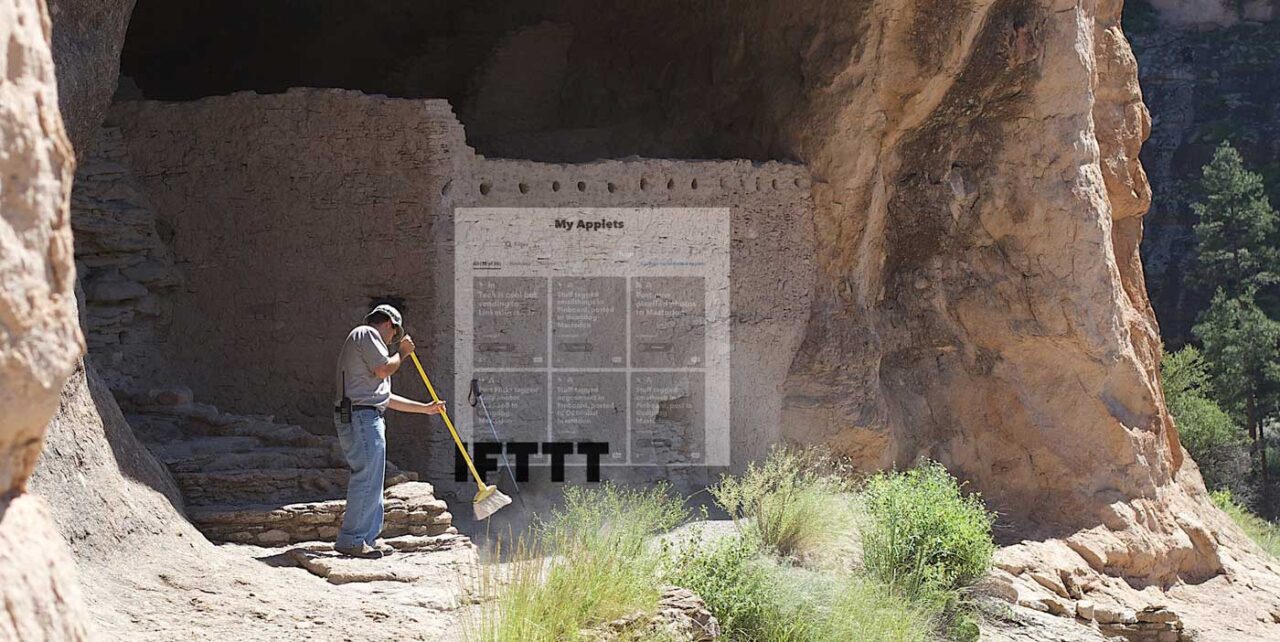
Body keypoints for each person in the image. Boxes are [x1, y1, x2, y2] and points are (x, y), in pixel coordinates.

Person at [333, 304, 445, 558]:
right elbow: (384, 368)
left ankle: (367, 538)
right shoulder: (366, 333)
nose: (393, 339)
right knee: (367, 477)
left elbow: (384, 398)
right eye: (395, 333)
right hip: (362, 417)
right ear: (389, 324)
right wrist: (402, 353)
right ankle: (352, 539)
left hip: (364, 415)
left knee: (373, 479)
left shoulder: (367, 345)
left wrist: (425, 409)